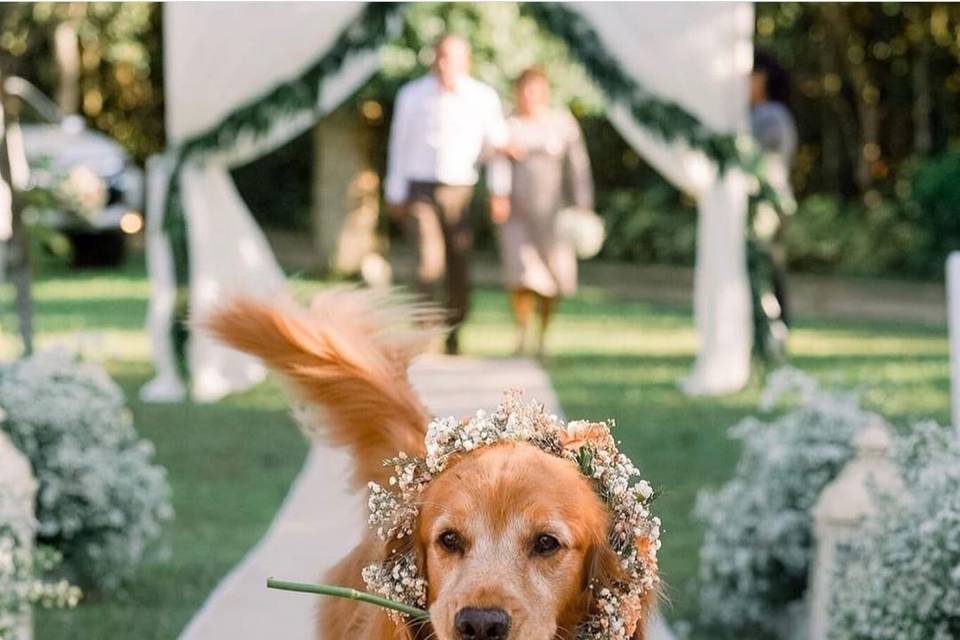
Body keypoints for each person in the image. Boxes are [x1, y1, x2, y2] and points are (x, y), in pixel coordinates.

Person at [385, 34, 511, 355]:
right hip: (419, 190)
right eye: (440, 56)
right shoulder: (412, 95)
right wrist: (395, 191)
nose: (444, 64)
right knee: (428, 262)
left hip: (460, 189)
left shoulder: (483, 97)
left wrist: (500, 191)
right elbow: (399, 145)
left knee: (458, 262)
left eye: (451, 58)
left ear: (465, 61)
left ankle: (454, 330)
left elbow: (498, 148)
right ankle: (423, 334)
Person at [493, 67, 594, 358]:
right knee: (521, 273)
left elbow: (578, 167)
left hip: (553, 212)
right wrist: (498, 196)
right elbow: (496, 165)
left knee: (554, 276)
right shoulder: (508, 125)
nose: (530, 95)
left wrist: (583, 202)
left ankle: (543, 335)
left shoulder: (562, 123)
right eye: (524, 89)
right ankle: (522, 330)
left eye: (535, 89)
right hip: (517, 211)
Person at [751, 50, 798, 327]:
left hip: (768, 203)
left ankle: (773, 326)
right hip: (770, 202)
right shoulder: (768, 114)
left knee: (767, 267)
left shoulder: (770, 116)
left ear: (761, 78)